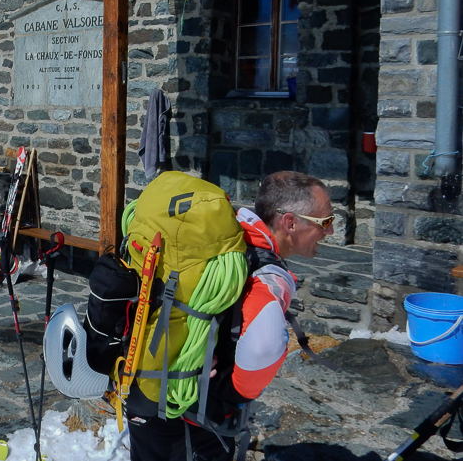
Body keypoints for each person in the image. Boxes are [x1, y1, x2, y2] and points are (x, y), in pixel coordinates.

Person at [126, 171, 335, 461]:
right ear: (290, 223)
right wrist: (232, 392)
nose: (330, 232)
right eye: (325, 222)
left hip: (142, 383)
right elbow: (264, 348)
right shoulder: (266, 275)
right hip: (192, 414)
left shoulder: (221, 236)